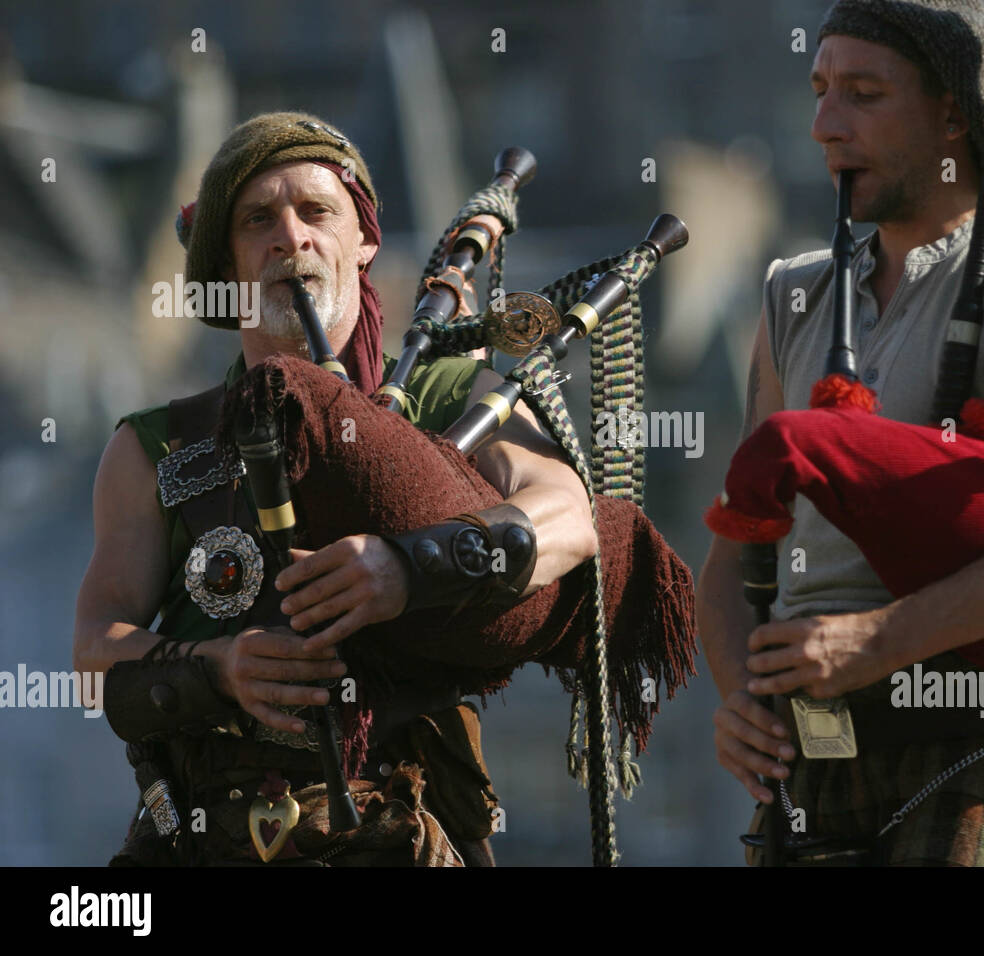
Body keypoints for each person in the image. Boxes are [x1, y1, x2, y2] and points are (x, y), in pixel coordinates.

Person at [698, 0, 984, 865]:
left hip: (981, 764)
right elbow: (736, 553)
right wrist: (741, 700)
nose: (823, 125)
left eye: (863, 94)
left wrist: (880, 642)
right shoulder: (790, 296)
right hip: (814, 777)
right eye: (819, 89)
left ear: (956, 114)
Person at [73, 112, 598, 866]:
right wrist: (221, 667)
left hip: (401, 827)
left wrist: (405, 568)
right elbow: (95, 652)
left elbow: (568, 519)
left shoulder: (450, 395)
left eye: (317, 212)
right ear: (227, 270)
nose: (291, 236)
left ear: (364, 245)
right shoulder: (154, 447)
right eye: (260, 220)